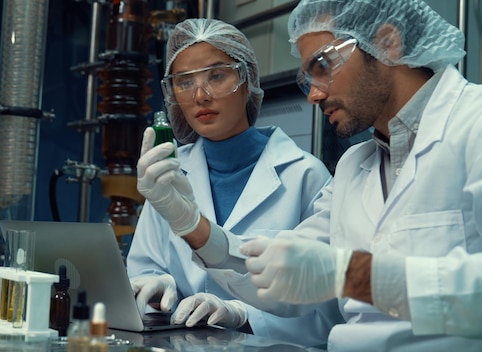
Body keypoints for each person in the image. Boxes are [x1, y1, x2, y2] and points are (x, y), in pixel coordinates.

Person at [136, 1, 482, 350]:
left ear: (388, 42)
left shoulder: (474, 123)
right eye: (308, 78)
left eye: (323, 65)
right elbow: (284, 271)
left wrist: (351, 275)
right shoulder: (352, 167)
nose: (314, 94)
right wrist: (190, 225)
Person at [128, 18, 340, 345]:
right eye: (184, 82)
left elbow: (327, 312)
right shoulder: (167, 174)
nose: (200, 95)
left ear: (248, 79)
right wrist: (155, 287)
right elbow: (143, 269)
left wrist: (244, 313)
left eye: (217, 75)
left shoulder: (305, 175)